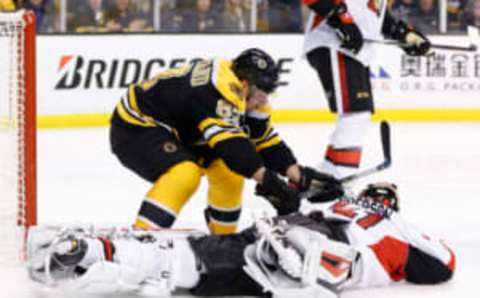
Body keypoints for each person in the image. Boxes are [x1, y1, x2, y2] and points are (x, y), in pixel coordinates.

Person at [27, 182, 456, 297]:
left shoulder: (339, 202)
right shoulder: (400, 228)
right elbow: (443, 266)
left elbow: (297, 199)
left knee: (200, 260)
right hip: (331, 243)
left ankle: (97, 253)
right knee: (214, 268)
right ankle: (308, 262)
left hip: (297, 226)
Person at [109, 47, 341, 235]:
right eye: (261, 92)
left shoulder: (247, 92)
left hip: (182, 131)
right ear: (245, 84)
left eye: (267, 93)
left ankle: (223, 240)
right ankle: (141, 239)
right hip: (136, 126)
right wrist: (269, 181)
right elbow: (232, 147)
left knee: (229, 173)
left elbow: (260, 137)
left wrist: (297, 174)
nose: (263, 100)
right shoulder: (216, 89)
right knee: (185, 174)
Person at [301, 0, 432, 180]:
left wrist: (406, 35)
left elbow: (377, 15)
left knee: (357, 117)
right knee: (356, 116)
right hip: (333, 43)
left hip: (355, 52)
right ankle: (338, 183)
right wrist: (342, 20)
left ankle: (324, 183)